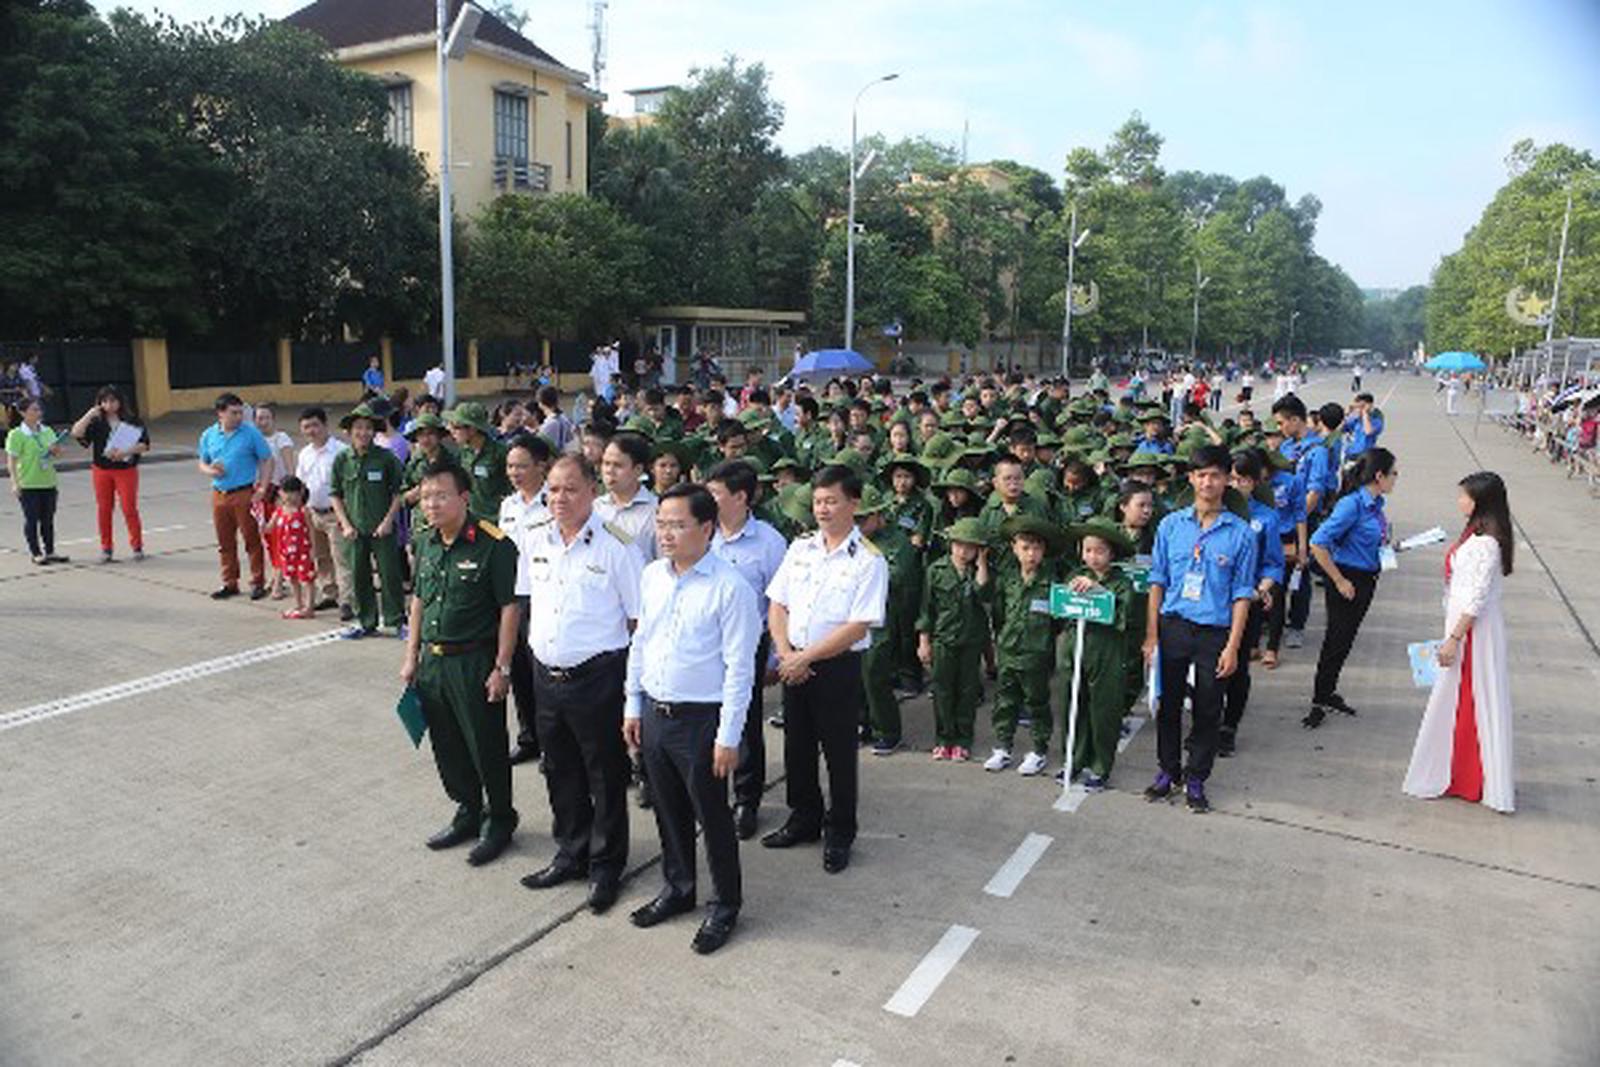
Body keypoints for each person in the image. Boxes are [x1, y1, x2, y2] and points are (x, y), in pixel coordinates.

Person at [623, 484, 759, 954]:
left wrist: (728, 736)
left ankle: (725, 905)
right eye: (661, 524)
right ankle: (678, 888)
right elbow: (641, 642)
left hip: (702, 720)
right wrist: (633, 704)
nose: (666, 533)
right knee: (667, 810)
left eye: (677, 525)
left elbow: (740, 669)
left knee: (712, 816)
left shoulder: (730, 588)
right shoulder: (653, 577)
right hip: (656, 713)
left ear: (706, 528)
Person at [520, 455, 643, 914]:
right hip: (546, 676)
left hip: (598, 678)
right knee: (559, 769)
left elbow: (639, 621)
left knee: (605, 775)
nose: (560, 498)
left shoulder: (618, 546)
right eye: (552, 489)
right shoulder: (536, 538)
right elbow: (529, 602)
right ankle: (571, 852)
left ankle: (606, 865)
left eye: (571, 489)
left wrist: (633, 689)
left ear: (593, 491)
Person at [762, 464, 889, 874]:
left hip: (836, 668)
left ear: (854, 503)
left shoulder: (868, 560)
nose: (822, 509)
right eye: (818, 501)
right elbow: (777, 603)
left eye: (831, 501)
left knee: (838, 754)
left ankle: (840, 832)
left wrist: (806, 658)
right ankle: (804, 818)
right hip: (792, 661)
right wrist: (785, 652)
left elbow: (858, 625)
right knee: (797, 748)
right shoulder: (800, 548)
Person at [401, 461, 522, 866]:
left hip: (474, 661)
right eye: (426, 497)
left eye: (441, 496)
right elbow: (419, 600)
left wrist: (502, 667)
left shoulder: (494, 544)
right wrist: (411, 656)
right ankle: (468, 810)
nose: (431, 504)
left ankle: (499, 819)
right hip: (433, 662)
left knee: (485, 745)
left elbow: (509, 608)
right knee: (447, 745)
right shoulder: (425, 540)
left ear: (464, 498)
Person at [1142, 444, 1258, 814]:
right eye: (1201, 475)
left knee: (1209, 707)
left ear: (1227, 480)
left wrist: (1233, 647)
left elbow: (1242, 594)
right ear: (1191, 479)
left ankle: (1196, 777)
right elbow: (1157, 582)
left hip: (1214, 632)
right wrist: (1152, 636)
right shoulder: (1170, 526)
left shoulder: (1241, 533)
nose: (1208, 482)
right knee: (1168, 705)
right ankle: (1168, 770)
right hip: (1173, 626)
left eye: (1216, 475)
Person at [1403, 471, 1515, 813]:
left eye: (1464, 496)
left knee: (1469, 697)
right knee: (1457, 698)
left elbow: (1477, 598)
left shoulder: (1486, 544)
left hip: (1473, 632)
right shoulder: (1476, 536)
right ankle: (1457, 772)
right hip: (1463, 626)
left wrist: (1454, 638)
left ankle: (1469, 776)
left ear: (1479, 501)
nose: (1459, 501)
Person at [706, 460, 789, 838]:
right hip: (705, 644)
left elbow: (780, 603)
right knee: (704, 719)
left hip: (748, 645)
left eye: (715, 493)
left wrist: (774, 654)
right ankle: (710, 796)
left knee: (744, 721)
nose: (708, 499)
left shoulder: (769, 542)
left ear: (740, 497)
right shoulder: (702, 533)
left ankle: (746, 799)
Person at [1304, 448, 1399, 728]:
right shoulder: (1352, 504)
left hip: (1367, 577)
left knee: (1346, 640)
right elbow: (1318, 543)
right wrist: (1339, 580)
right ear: (1379, 475)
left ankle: (1329, 691)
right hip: (1348, 579)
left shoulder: (1376, 504)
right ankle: (1318, 700)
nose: (1396, 479)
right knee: (1336, 640)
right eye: (1393, 473)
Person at [1060, 517, 1138, 789]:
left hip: (1107, 652)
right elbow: (1063, 609)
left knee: (1103, 710)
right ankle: (1073, 760)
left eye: (1100, 551)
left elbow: (1124, 616)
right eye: (1088, 550)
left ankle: (1100, 765)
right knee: (1073, 705)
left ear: (1112, 553)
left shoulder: (1122, 583)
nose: (1093, 557)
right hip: (1075, 648)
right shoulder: (1075, 576)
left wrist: (1100, 592)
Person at [985, 515, 1066, 776]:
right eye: (1025, 548)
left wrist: (1041, 641)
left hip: (1037, 654)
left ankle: (1038, 750)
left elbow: (1058, 621)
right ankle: (1003, 746)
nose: (1031, 554)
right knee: (1005, 702)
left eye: (1037, 548)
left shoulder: (1052, 583)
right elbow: (999, 614)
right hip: (1009, 651)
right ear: (1014, 548)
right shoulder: (1007, 580)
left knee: (1037, 703)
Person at [1220, 451, 1286, 756]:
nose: (1236, 485)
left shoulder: (1266, 518)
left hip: (1246, 602)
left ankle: (1228, 727)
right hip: (1210, 601)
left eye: (1243, 480)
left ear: (1254, 482)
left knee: (1237, 668)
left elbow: (1273, 563)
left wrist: (1261, 588)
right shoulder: (1213, 512)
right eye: (1231, 478)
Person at [917, 517, 991, 761]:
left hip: (971, 641)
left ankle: (963, 740)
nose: (963, 551)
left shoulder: (979, 573)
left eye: (970, 547)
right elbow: (926, 609)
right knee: (942, 691)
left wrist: (982, 565)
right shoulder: (936, 571)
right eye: (959, 544)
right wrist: (924, 641)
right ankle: (944, 739)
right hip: (943, 640)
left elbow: (984, 595)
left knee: (967, 692)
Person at [498, 433, 553, 766]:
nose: (514, 472)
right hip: (512, 599)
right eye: (510, 466)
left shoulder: (554, 502)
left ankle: (551, 745)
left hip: (544, 597)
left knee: (542, 675)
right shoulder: (508, 505)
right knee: (517, 671)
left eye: (521, 466)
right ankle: (528, 738)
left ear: (540, 466)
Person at [855, 485, 921, 756]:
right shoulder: (852, 538)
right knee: (855, 676)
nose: (857, 525)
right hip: (854, 616)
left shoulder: (897, 541)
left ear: (878, 515)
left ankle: (887, 731)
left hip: (883, 618)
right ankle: (861, 724)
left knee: (875, 675)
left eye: (863, 519)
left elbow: (898, 576)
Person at [331, 404, 406, 638]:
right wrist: (345, 524)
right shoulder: (342, 459)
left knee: (390, 575)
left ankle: (396, 621)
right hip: (354, 530)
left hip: (382, 529)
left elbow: (398, 493)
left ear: (374, 431)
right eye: (358, 428)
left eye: (368, 428)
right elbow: (335, 494)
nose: (363, 432)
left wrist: (388, 521)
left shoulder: (386, 458)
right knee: (359, 576)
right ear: (349, 431)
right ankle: (366, 621)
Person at [197, 392, 273, 600]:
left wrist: (262, 488)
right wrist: (210, 471)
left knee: (251, 539)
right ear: (220, 413)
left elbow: (266, 459)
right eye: (234, 413)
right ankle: (229, 582)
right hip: (219, 493)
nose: (239, 417)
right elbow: (202, 462)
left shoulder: (250, 433)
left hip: (244, 492)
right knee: (225, 541)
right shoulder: (209, 435)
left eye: (240, 412)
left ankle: (257, 581)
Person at [71, 385, 149, 563]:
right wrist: (89, 414)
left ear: (120, 401)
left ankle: (137, 545)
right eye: (104, 401)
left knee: (129, 508)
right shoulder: (97, 421)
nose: (109, 405)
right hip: (102, 469)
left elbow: (145, 444)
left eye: (112, 401)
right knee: (104, 509)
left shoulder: (132, 420)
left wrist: (126, 451)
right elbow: (77, 433)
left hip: (125, 470)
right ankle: (106, 547)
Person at [295, 408, 353, 620]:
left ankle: (347, 600)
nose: (311, 431)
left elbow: (349, 483)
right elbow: (301, 484)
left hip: (336, 513)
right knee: (320, 557)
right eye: (306, 427)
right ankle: (329, 592)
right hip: (313, 512)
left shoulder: (341, 452)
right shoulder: (305, 454)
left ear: (325, 425)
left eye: (315, 425)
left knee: (342, 558)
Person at [5, 396, 69, 565]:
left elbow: (58, 454)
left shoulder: (47, 431)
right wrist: (15, 483)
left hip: (48, 481)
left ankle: (50, 551)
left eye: (39, 409)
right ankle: (36, 552)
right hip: (28, 483)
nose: (38, 412)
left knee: (48, 519)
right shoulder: (16, 434)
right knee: (32, 519)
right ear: (23, 413)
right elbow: (11, 461)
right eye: (34, 409)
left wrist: (56, 450)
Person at [595, 432, 659, 562]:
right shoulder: (595, 508)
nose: (609, 471)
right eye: (606, 463)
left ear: (638, 470)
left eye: (618, 465)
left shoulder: (657, 511)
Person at [445, 402, 512, 522]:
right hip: (472, 518)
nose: (451, 431)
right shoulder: (463, 453)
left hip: (496, 520)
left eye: (456, 427)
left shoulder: (500, 453)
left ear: (472, 429)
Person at [267, 476, 317, 619]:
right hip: (286, 551)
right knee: (292, 578)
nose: (289, 496)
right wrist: (261, 523)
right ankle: (298, 603)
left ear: (300, 492)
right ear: (280, 493)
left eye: (292, 493)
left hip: (303, 550)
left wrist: (313, 549)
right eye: (285, 492)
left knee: (307, 578)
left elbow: (311, 530)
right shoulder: (279, 511)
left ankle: (309, 606)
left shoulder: (303, 511)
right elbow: (269, 528)